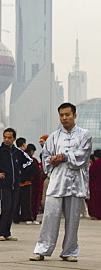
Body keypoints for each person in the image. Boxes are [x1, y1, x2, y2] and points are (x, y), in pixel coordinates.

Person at [30, 103, 92, 261]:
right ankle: (42, 249)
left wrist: (63, 156)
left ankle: (70, 251)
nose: (64, 118)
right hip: (57, 182)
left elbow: (82, 156)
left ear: (74, 115)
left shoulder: (85, 135)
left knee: (73, 220)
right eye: (62, 115)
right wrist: (53, 162)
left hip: (76, 183)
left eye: (67, 115)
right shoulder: (53, 137)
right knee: (50, 216)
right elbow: (46, 158)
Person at [0, 128, 32, 241]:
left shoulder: (18, 152)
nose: (7, 140)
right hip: (2, 185)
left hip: (15, 184)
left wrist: (21, 169)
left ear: (14, 139)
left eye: (9, 138)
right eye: (5, 137)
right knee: (4, 208)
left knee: (12, 208)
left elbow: (29, 162)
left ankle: (7, 232)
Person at [13, 137, 37, 224]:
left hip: (16, 181)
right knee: (26, 201)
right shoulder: (24, 154)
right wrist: (23, 171)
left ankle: (15, 217)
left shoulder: (14, 153)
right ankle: (27, 217)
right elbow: (32, 165)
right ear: (23, 144)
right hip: (25, 181)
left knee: (16, 201)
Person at [26, 143, 43, 223]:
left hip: (27, 184)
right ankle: (32, 217)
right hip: (35, 185)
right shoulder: (33, 161)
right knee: (34, 202)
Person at [89, 150, 101, 220]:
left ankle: (98, 215)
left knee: (97, 201)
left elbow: (90, 173)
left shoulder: (96, 164)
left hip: (96, 185)